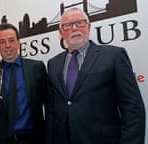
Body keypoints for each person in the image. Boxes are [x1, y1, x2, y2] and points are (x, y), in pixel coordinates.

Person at [46, 7, 145, 144]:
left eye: (79, 22)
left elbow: (133, 109)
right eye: (68, 25)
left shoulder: (114, 56)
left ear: (88, 26)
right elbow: (52, 111)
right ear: (61, 32)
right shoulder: (53, 64)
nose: (74, 28)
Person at [0, 23, 47, 144]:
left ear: (18, 42)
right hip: (0, 140)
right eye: (2, 42)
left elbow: (49, 103)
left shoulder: (36, 67)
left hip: (32, 139)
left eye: (11, 40)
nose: (7, 45)